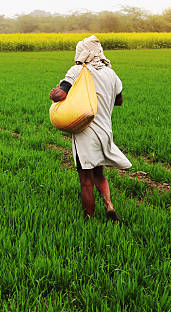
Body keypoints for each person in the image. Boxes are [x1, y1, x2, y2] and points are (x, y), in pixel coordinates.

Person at [49, 35, 132, 222]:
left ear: (82, 52)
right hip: (105, 131)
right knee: (99, 172)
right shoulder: (112, 73)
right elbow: (119, 100)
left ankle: (89, 220)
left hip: (86, 133)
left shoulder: (78, 70)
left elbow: (60, 94)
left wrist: (54, 94)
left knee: (86, 180)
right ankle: (109, 205)